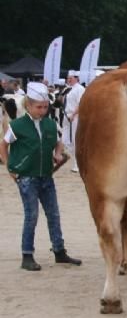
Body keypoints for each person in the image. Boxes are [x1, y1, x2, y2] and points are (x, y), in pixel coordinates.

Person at [0, 82, 82, 271]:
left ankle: (59, 251)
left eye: (45, 107)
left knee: (53, 214)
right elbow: (3, 145)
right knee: (32, 216)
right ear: (28, 105)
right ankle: (27, 255)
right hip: (27, 178)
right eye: (39, 107)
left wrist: (58, 153)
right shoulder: (17, 125)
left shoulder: (50, 124)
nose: (43, 110)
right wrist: (9, 166)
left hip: (46, 176)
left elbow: (58, 142)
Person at [61, 70, 85, 173]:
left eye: (71, 78)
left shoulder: (80, 89)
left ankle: (78, 164)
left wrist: (74, 115)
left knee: (75, 140)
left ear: (76, 78)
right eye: (68, 78)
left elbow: (81, 103)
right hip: (66, 115)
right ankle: (75, 160)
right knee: (65, 140)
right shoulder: (69, 89)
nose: (69, 80)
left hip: (75, 116)